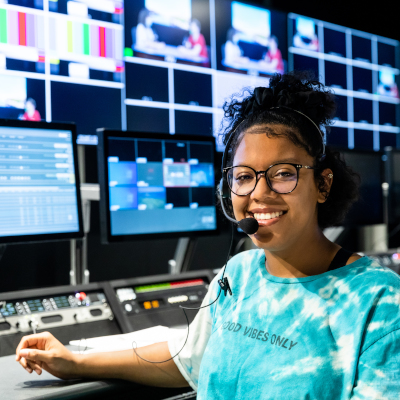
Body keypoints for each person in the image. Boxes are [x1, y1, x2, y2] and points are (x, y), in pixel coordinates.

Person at [15, 71, 400, 399]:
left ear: (322, 184)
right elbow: (190, 360)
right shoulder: (238, 274)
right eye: (244, 177)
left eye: (283, 173)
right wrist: (75, 362)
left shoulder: (379, 302)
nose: (258, 194)